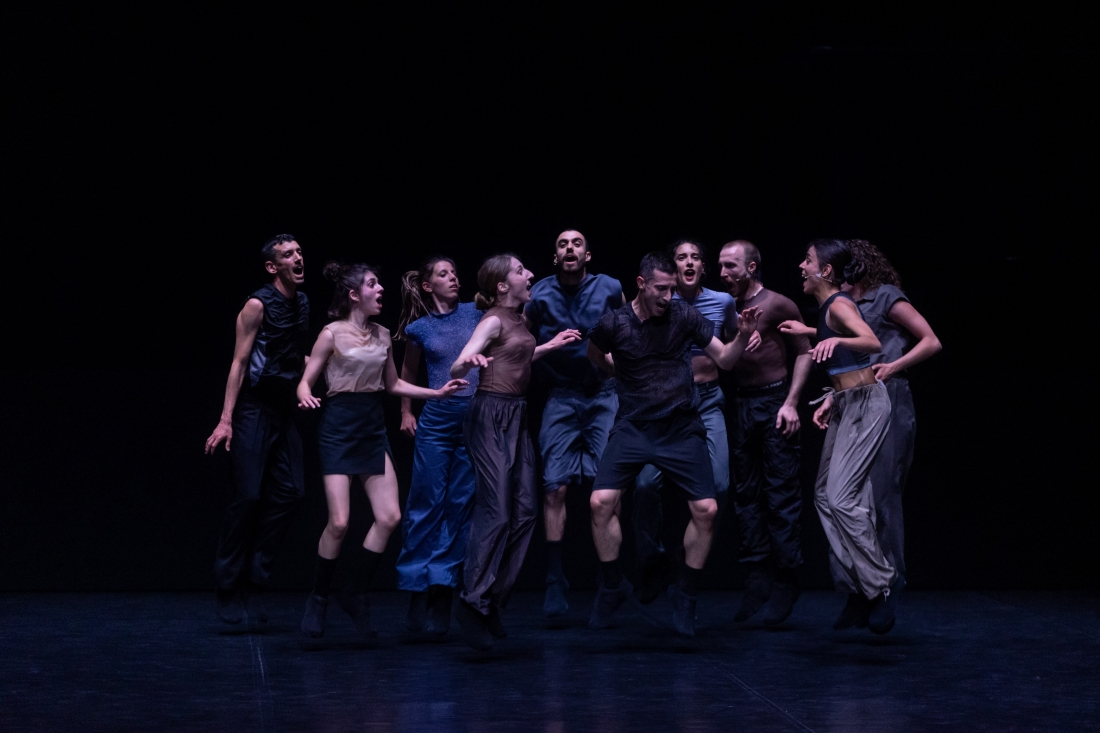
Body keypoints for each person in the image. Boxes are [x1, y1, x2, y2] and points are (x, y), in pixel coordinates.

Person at [587, 252, 760, 637]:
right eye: (661, 289)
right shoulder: (615, 322)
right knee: (599, 503)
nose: (668, 296)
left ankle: (686, 593)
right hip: (633, 426)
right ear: (641, 284)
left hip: (681, 427)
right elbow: (594, 352)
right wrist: (616, 371)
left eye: (672, 289)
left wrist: (744, 335)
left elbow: (725, 361)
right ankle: (613, 585)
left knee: (707, 509)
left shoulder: (685, 316)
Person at [296, 263, 468, 640]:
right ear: (354, 295)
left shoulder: (384, 334)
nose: (380, 290)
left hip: (371, 426)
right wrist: (306, 394)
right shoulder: (331, 333)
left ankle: (355, 592)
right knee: (339, 522)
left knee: (389, 517)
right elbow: (306, 382)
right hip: (339, 426)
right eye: (373, 284)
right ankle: (319, 597)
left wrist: (436, 393)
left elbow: (393, 384)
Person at [449, 254, 581, 651]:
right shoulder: (491, 320)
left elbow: (517, 355)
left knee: (525, 512)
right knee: (497, 511)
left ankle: (490, 600)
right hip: (489, 414)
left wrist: (549, 346)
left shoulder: (521, 320)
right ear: (502, 286)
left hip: (517, 416)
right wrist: (467, 362)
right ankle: (471, 601)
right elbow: (459, 364)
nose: (531, 275)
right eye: (521, 271)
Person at [779, 239, 903, 634]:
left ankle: (881, 584)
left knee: (842, 497)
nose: (802, 266)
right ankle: (859, 587)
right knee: (824, 496)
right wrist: (832, 395)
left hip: (866, 403)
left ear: (826, 270)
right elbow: (842, 357)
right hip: (847, 401)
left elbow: (872, 343)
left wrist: (836, 339)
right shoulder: (827, 311)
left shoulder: (840, 305)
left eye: (808, 260)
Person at [826, 239, 941, 629]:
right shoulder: (842, 305)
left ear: (855, 265)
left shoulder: (886, 296)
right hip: (850, 399)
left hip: (888, 397)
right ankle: (858, 590)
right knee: (840, 499)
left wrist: (893, 365)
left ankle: (890, 586)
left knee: (880, 495)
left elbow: (931, 341)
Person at [205, 234, 310, 626]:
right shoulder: (257, 304)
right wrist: (226, 419)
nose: (298, 258)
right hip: (253, 407)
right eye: (288, 254)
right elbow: (239, 362)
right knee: (248, 495)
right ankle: (227, 586)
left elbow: (293, 354)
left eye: (299, 252)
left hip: (284, 409)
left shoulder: (302, 302)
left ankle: (255, 580)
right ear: (272, 266)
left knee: (293, 492)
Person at [632, 239, 738, 604]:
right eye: (681, 257)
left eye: (695, 257)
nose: (689, 262)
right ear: (672, 268)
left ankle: (687, 561)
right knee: (645, 486)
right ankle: (653, 560)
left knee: (719, 486)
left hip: (707, 403)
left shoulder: (722, 303)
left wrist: (746, 339)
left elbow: (731, 346)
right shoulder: (659, 302)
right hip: (666, 407)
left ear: (704, 268)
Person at [525, 229, 623, 619]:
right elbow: (520, 343)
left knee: (609, 490)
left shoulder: (609, 287)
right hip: (561, 395)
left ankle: (609, 579)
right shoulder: (539, 294)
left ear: (587, 255)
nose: (569, 248)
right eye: (562, 244)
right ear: (555, 257)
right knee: (554, 487)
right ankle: (554, 580)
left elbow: (628, 329)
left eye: (576, 243)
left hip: (603, 393)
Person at [717, 239, 813, 625]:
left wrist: (791, 402)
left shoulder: (777, 304)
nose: (723, 273)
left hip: (774, 401)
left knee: (780, 494)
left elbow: (804, 351)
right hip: (742, 403)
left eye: (730, 266)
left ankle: (787, 579)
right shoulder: (724, 307)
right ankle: (757, 575)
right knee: (745, 494)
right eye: (720, 266)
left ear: (751, 267)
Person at [393, 257, 484, 636]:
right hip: (436, 421)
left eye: (455, 273)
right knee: (426, 502)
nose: (453, 278)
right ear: (428, 285)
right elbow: (407, 371)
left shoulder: (476, 313)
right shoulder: (419, 327)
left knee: (459, 505)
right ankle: (417, 588)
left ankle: (442, 589)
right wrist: (406, 411)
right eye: (444, 274)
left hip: (475, 421)